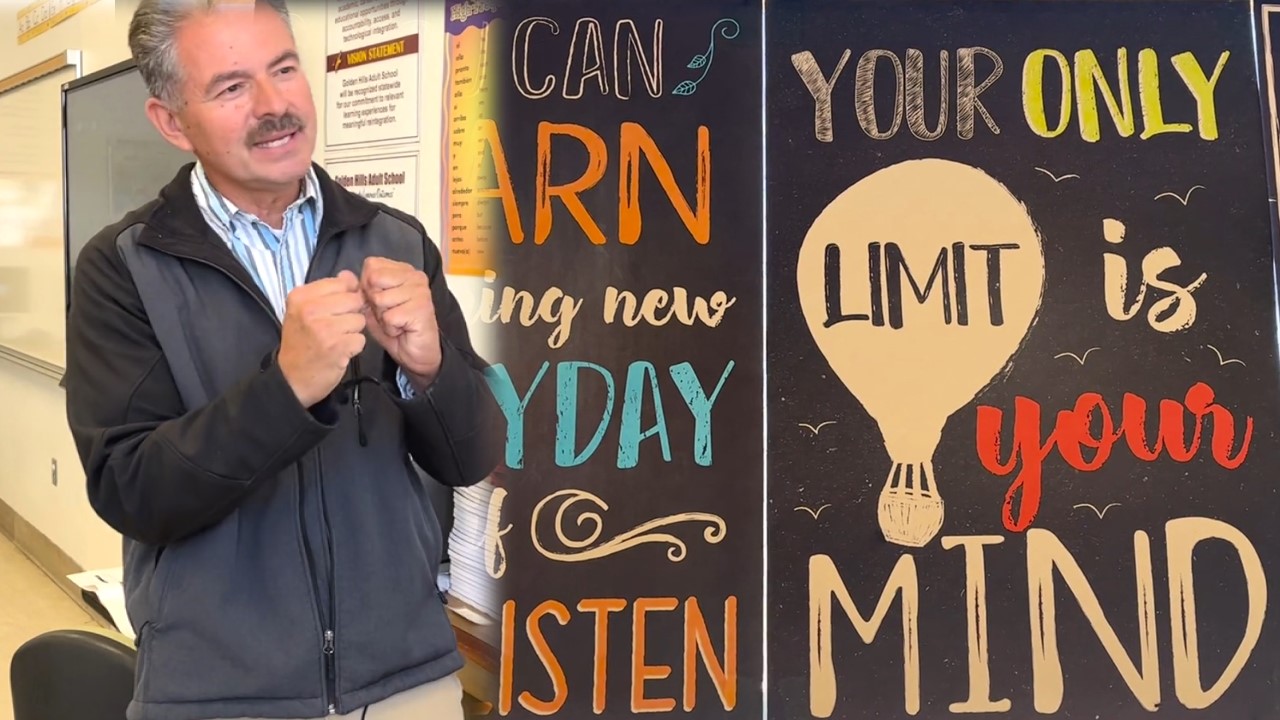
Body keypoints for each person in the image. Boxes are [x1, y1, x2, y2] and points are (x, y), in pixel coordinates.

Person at [63, 1, 503, 718]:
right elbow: (131, 490)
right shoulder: (124, 267)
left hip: (405, 680)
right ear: (172, 122)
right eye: (232, 87)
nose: (275, 106)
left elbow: (473, 454)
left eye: (285, 69)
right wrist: (287, 387)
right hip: (218, 692)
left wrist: (431, 371)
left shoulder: (396, 239)